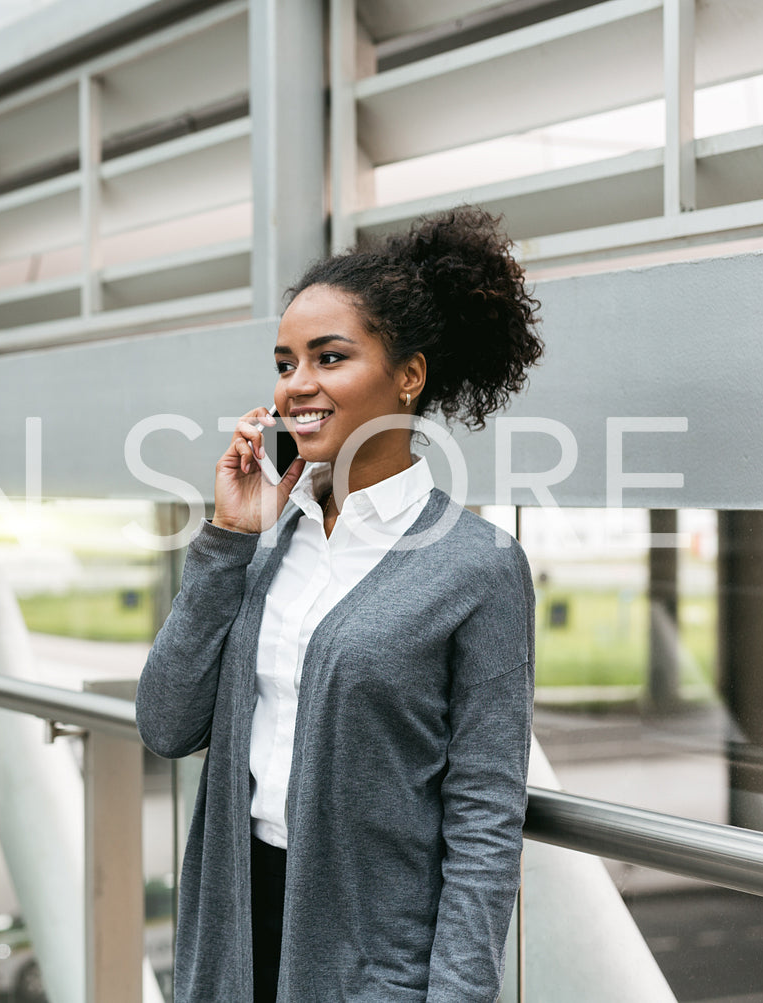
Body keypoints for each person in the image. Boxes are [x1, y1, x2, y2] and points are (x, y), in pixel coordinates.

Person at [135, 206, 544, 1002]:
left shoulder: (477, 567)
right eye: (285, 362)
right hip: (233, 936)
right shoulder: (268, 540)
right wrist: (226, 541)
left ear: (408, 375)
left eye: (328, 357)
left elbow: (485, 819)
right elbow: (165, 722)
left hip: (369, 963)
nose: (297, 386)